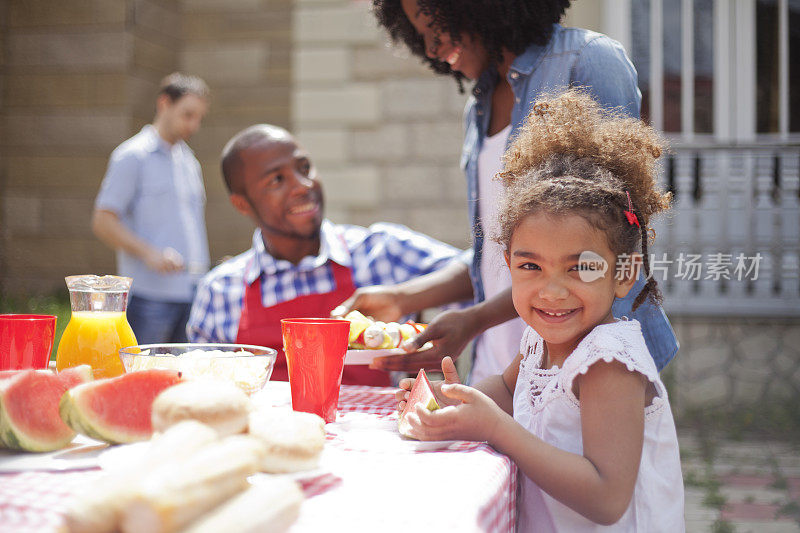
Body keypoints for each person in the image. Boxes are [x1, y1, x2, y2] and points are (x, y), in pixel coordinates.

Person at [334, 0, 678, 383]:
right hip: (499, 375)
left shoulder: (588, 61)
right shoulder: (477, 109)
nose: (430, 49)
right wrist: (402, 299)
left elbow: (601, 247)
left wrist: (474, 319)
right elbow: (499, 259)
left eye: (436, 30)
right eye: (421, 37)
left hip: (581, 377)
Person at [398, 90, 684, 531]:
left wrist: (495, 428)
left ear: (624, 274)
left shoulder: (608, 362)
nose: (552, 291)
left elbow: (607, 498)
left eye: (581, 267)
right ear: (509, 263)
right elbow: (510, 393)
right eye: (530, 266)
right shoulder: (541, 339)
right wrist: (447, 402)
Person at [186, 124, 468, 386]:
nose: (303, 185)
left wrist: (401, 298)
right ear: (242, 204)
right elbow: (203, 388)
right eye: (277, 180)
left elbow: (480, 273)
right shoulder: (220, 291)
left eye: (304, 167)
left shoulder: (380, 251)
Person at [92, 72, 210, 344]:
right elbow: (103, 221)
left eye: (199, 118)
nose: (194, 125)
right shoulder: (132, 156)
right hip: (149, 299)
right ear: (164, 104)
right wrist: (150, 253)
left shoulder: (190, 162)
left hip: (192, 297)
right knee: (140, 379)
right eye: (187, 114)